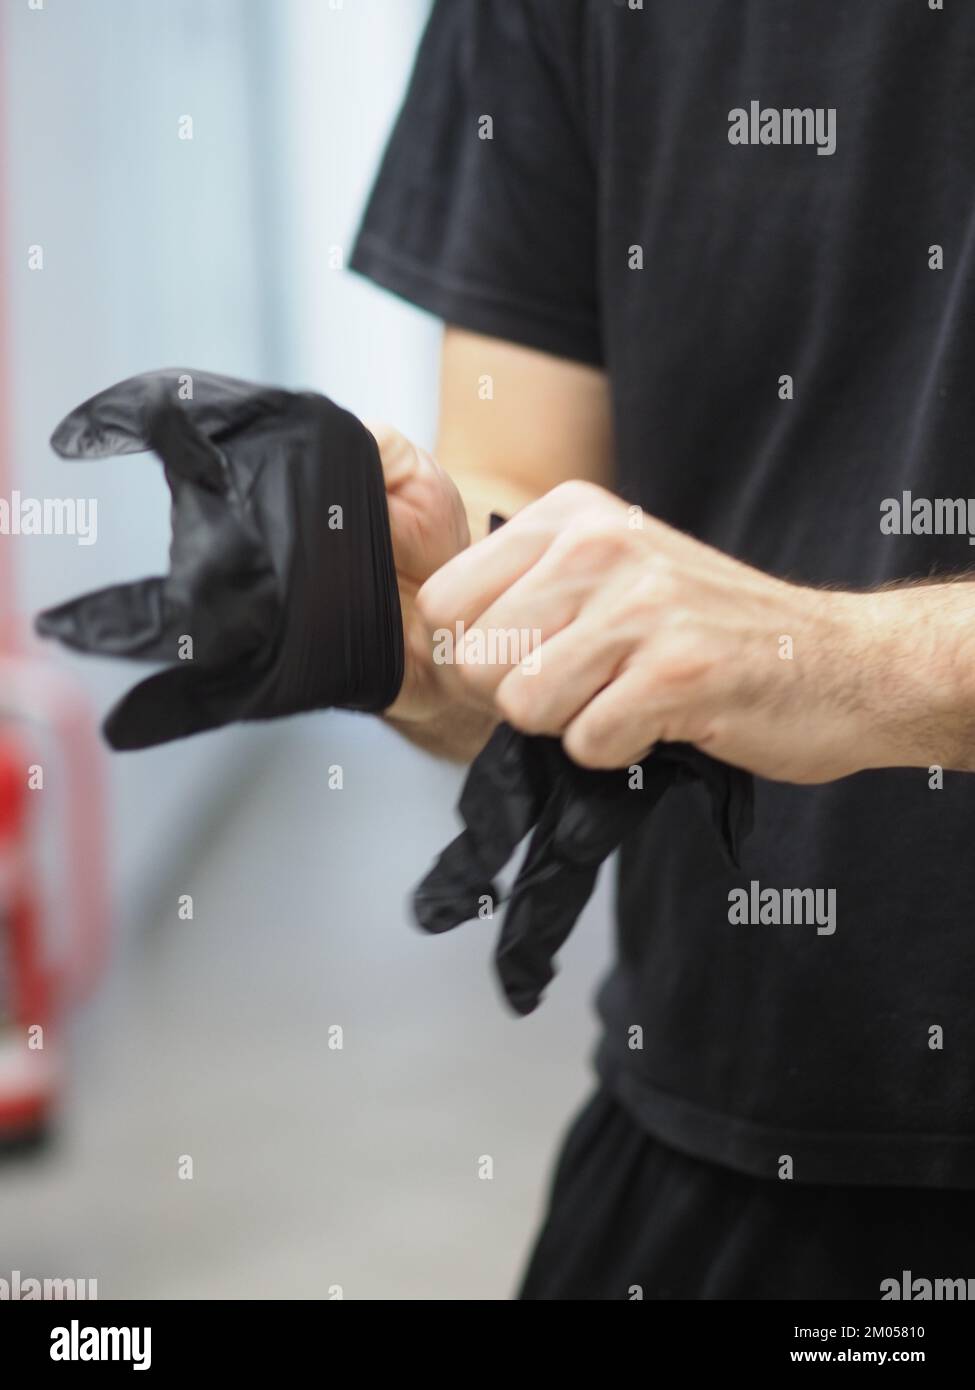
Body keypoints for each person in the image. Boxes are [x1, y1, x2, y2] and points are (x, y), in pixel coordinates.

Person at [349, 0, 975, 1299]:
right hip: (708, 1135)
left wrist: (839, 663)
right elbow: (515, 479)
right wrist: (420, 618)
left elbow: (806, 657)